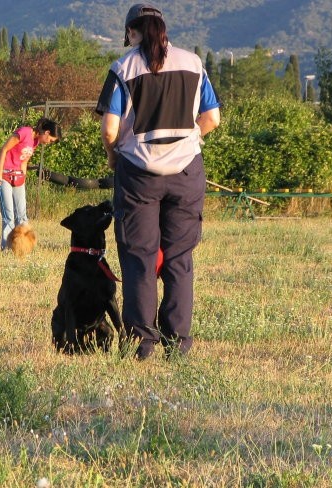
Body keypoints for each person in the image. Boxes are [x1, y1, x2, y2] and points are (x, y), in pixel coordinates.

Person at [96, 3, 221, 359]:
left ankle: (143, 343)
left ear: (131, 32)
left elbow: (109, 128)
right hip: (186, 173)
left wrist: (114, 155)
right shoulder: (193, 63)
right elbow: (212, 117)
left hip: (139, 175)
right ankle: (178, 342)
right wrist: (188, 142)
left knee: (140, 258)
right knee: (180, 259)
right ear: (163, 29)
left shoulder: (124, 67)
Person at [0, 117, 61, 250]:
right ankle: (6, 248)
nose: (49, 143)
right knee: (9, 215)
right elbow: (4, 150)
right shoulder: (24, 132)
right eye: (51, 140)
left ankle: (25, 247)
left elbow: (24, 161)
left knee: (22, 215)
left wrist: (22, 179)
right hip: (4, 175)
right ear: (47, 133)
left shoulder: (35, 142)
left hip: (17, 177)